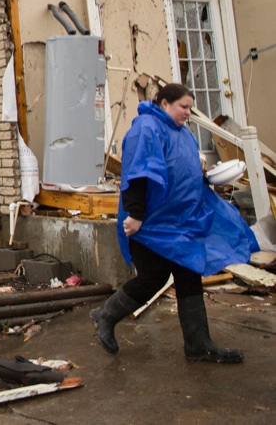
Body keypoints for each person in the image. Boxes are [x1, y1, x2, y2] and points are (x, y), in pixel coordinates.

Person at [92, 83, 259, 363]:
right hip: (151, 224)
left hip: (181, 222)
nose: (187, 113)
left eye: (189, 108)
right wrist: (134, 214)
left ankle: (198, 344)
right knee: (152, 278)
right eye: (183, 107)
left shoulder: (183, 133)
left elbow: (183, 170)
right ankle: (104, 315)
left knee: (188, 273)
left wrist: (209, 177)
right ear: (165, 103)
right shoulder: (147, 128)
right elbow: (137, 172)